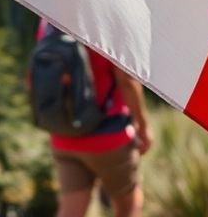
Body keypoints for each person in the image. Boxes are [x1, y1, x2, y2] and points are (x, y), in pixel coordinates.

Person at [38, 22, 154, 217]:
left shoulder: (48, 20)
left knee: (70, 212)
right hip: (109, 137)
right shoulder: (107, 19)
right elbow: (126, 80)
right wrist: (143, 126)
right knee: (129, 207)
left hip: (64, 137)